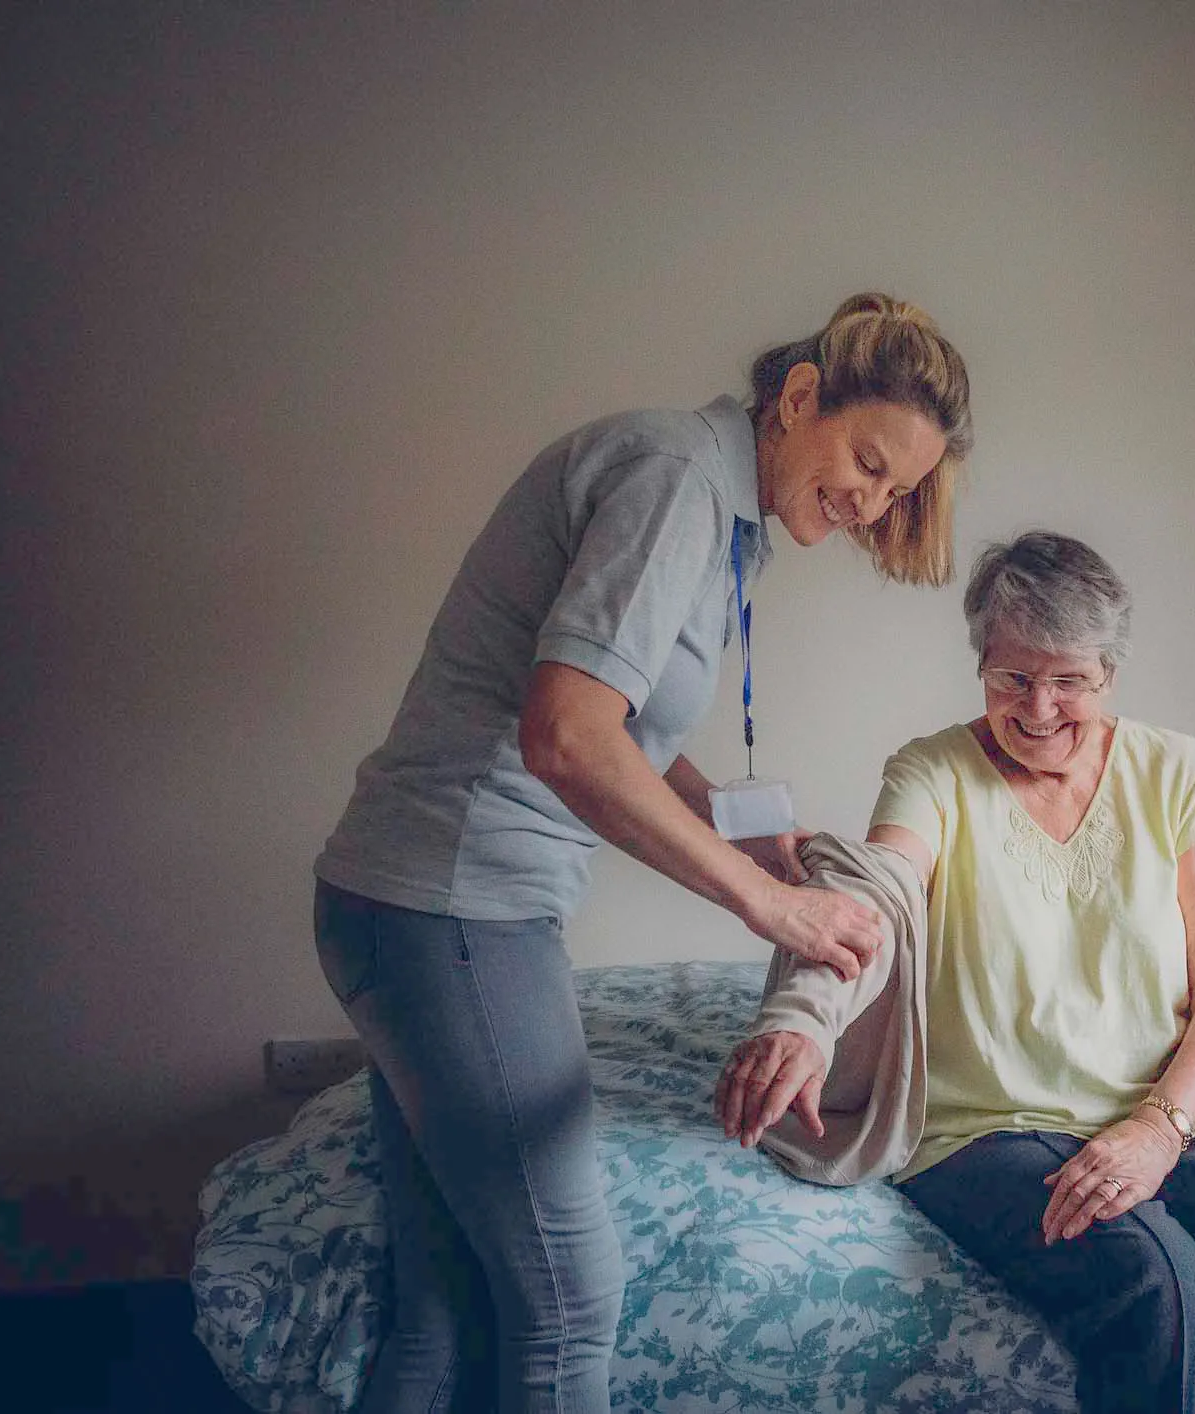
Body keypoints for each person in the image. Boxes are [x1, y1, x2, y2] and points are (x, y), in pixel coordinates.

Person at [310, 293, 971, 1413]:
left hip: (404, 900)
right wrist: (771, 905)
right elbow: (565, 734)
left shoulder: (716, 515)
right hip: (456, 910)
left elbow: (612, 724)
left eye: (895, 489)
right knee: (572, 1301)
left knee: (442, 1304)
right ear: (799, 397)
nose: (869, 502)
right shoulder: (675, 483)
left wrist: (734, 819)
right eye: (866, 461)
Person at [715, 532, 1195, 1414]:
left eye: (1068, 680)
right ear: (981, 665)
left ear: (1110, 673)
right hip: (990, 1116)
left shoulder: (1175, 770)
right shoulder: (931, 771)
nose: (1036, 707)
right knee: (1170, 1297)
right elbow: (875, 894)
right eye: (1010, 678)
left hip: (1173, 1098)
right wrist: (803, 1014)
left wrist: (1158, 1129)